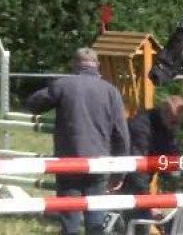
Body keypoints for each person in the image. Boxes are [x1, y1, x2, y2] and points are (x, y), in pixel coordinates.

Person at [25, 47, 130, 235]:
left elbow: (33, 104)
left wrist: (53, 88)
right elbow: (121, 134)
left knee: (70, 218)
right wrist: (119, 172)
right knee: (96, 216)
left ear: (75, 64)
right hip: (99, 163)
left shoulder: (63, 85)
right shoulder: (111, 91)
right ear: (97, 66)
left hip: (68, 162)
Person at [116, 95, 183, 234]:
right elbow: (138, 169)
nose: (176, 127)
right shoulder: (141, 127)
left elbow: (170, 155)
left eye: (179, 123)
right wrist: (149, 202)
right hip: (125, 181)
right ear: (164, 112)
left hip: (139, 183)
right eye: (174, 122)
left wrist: (177, 173)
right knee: (140, 224)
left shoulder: (165, 126)